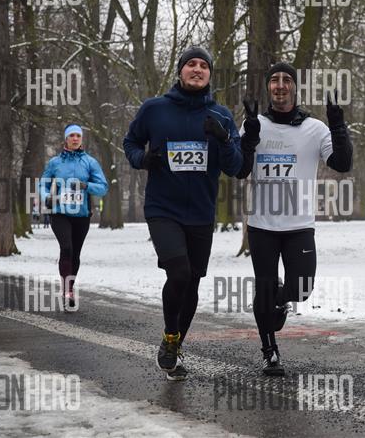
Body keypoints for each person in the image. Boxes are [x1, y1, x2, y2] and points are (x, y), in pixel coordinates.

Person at [123, 46, 243, 381]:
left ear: (210, 74)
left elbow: (236, 168)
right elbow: (130, 142)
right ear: (180, 71)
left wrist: (224, 140)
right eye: (191, 63)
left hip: (202, 213)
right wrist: (142, 159)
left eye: (204, 65)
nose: (197, 69)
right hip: (163, 208)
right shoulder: (154, 109)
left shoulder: (221, 115)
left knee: (192, 282)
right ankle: (171, 334)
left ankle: (172, 344)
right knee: (179, 272)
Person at [236, 61, 352, 376]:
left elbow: (342, 163)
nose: (280, 85)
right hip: (262, 225)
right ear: (268, 87)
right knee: (264, 287)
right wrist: (248, 139)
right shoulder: (254, 124)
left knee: (301, 288)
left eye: (286, 79)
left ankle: (279, 299)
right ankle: (269, 351)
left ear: (295, 87)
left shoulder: (315, 128)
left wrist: (338, 124)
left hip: (299, 225)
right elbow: (240, 170)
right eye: (274, 80)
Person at [40, 124, 108, 312]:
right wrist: (46, 196)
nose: (75, 138)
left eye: (78, 135)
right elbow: (43, 184)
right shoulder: (55, 162)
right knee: (66, 248)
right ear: (66, 139)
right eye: (72, 135)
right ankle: (66, 291)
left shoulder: (90, 162)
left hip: (81, 215)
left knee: (75, 253)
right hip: (59, 213)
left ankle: (69, 288)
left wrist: (86, 186)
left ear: (81, 139)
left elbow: (103, 187)